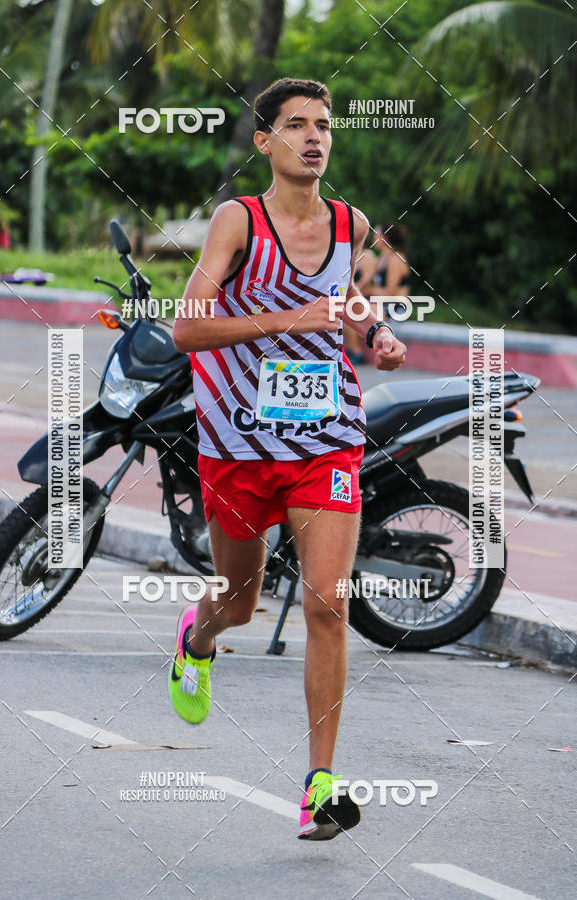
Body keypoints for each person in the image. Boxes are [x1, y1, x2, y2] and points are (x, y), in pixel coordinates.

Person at [170, 77, 407, 841]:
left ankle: (319, 787)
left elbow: (345, 301)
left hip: (324, 439)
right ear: (265, 143)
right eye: (296, 125)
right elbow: (186, 330)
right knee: (238, 602)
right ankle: (197, 641)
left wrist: (374, 336)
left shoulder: (351, 223)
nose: (314, 137)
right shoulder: (236, 221)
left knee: (326, 603)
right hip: (238, 444)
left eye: (324, 125)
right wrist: (286, 317)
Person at [355, 223, 410, 319]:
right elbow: (364, 283)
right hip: (382, 304)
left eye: (376, 235)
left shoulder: (396, 259)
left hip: (396, 307)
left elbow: (390, 292)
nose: (374, 237)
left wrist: (370, 296)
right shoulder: (381, 259)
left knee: (359, 312)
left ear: (385, 238)